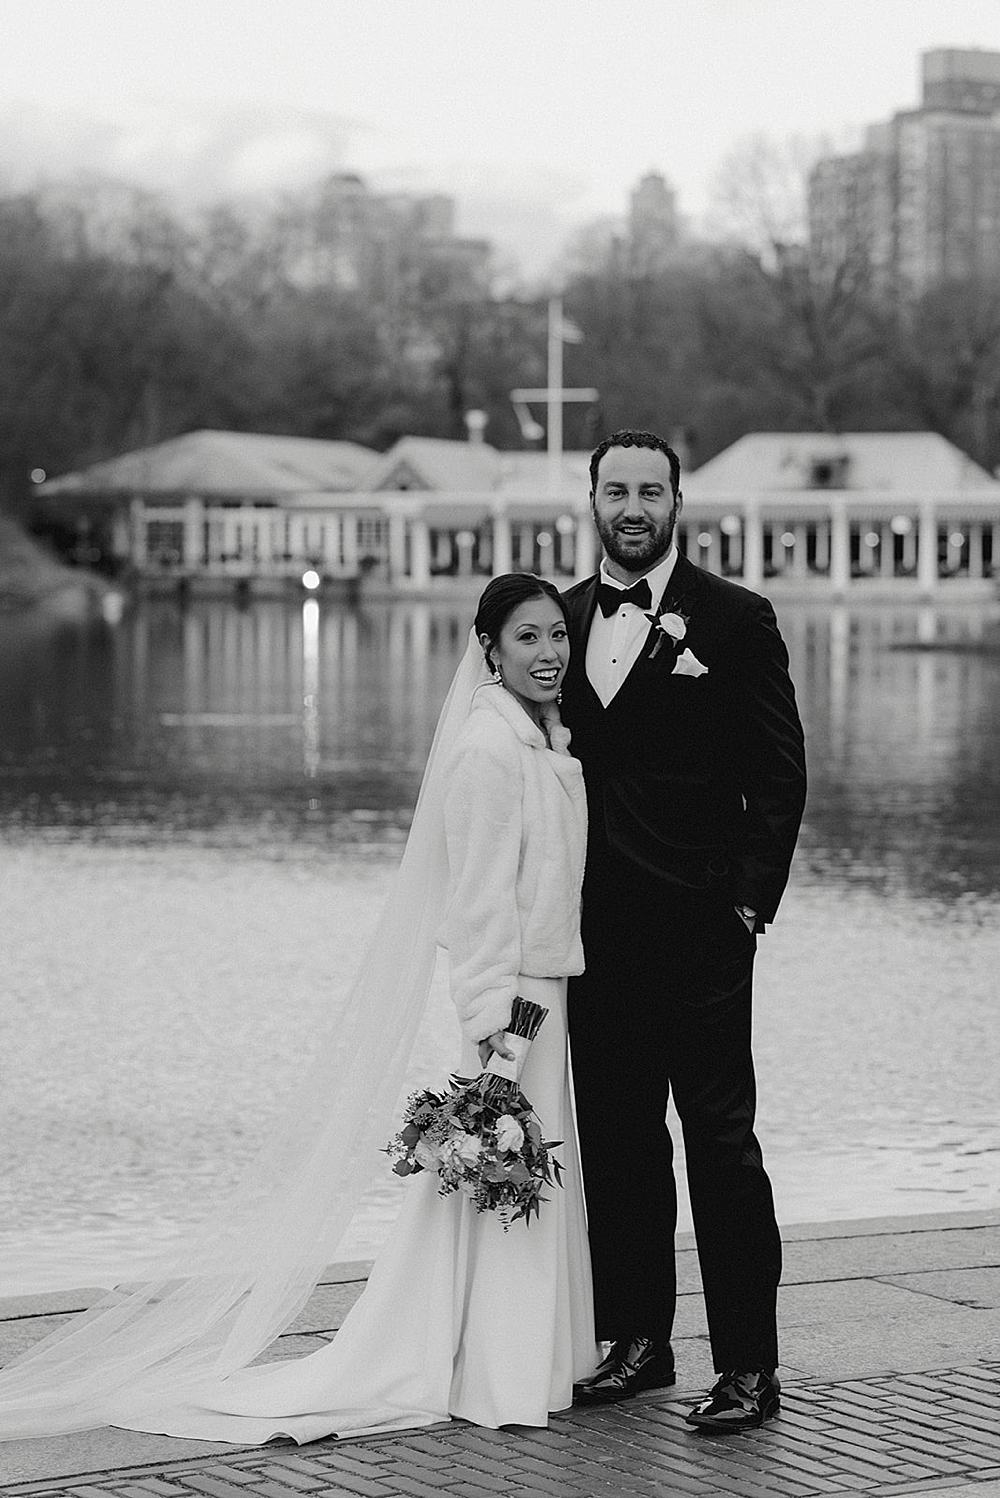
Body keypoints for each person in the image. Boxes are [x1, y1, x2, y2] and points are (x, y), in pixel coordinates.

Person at [0, 574, 595, 1442]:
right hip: (513, 1005)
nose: (549, 653)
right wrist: (493, 1025)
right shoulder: (488, 751)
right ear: (490, 651)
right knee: (502, 1174)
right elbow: (476, 904)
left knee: (512, 1179)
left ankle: (515, 1359)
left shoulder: (538, 741)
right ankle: (493, 1371)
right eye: (528, 637)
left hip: (545, 991)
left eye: (558, 635)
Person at [562, 429, 807, 1431]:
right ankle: (638, 1343)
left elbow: (779, 774)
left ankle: (749, 1365)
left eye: (649, 492)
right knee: (618, 1143)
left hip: (703, 929)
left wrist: (746, 904)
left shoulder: (735, 619)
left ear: (675, 502)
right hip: (591, 937)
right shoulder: (561, 619)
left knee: (720, 1145)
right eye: (615, 490)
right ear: (591, 500)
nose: (632, 508)